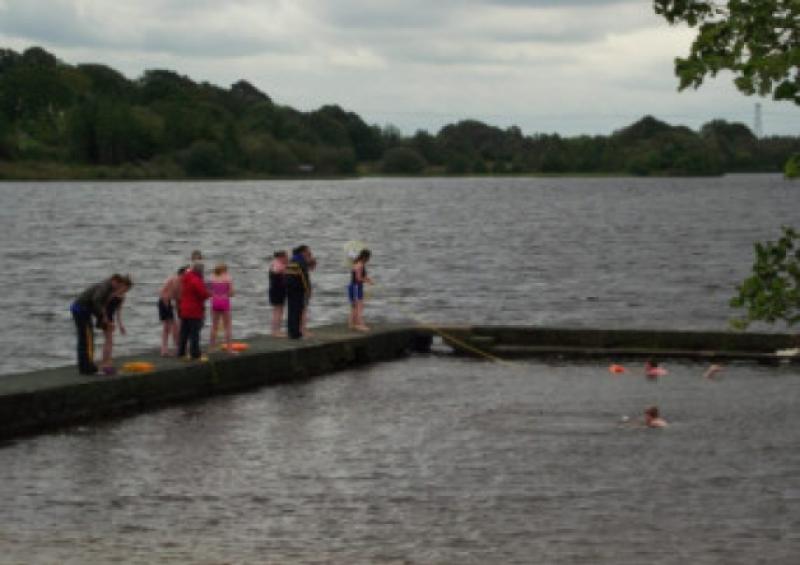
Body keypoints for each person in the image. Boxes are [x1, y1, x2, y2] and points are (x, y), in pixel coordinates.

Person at [70, 274, 133, 375]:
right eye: (118, 285)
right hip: (81, 310)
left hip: (83, 310)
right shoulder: (105, 287)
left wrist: (104, 318)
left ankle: (86, 366)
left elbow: (98, 304)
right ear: (114, 281)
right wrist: (104, 318)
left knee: (86, 339)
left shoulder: (107, 287)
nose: (118, 288)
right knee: (87, 339)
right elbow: (97, 301)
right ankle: (88, 367)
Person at [178, 261, 210, 360]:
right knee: (194, 333)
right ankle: (195, 353)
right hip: (194, 311)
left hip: (184, 309)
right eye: (202, 270)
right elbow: (203, 295)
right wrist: (210, 292)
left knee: (184, 332)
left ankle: (181, 352)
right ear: (199, 270)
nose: (203, 272)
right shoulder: (196, 280)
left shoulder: (186, 277)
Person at [285, 245, 312, 339]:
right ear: (303, 252)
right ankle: (296, 333)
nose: (308, 253)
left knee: (291, 311)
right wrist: (308, 290)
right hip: (298, 290)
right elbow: (304, 278)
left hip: (289, 289)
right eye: (308, 251)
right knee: (297, 311)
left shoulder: (291, 260)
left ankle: (290, 331)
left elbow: (286, 276)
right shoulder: (301, 262)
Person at [159, 266, 186, 356]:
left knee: (175, 327)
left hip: (172, 303)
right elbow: (162, 291)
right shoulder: (173, 279)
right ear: (181, 274)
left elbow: (179, 298)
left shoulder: (182, 283)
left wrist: (179, 309)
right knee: (168, 327)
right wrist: (167, 303)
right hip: (164, 302)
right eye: (185, 274)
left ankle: (176, 347)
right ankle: (165, 349)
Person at [209, 262, 234, 352]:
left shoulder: (212, 278)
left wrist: (215, 295)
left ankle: (212, 347)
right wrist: (226, 294)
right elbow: (231, 293)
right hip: (224, 301)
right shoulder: (228, 278)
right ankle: (229, 348)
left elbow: (209, 291)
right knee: (227, 326)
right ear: (225, 270)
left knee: (214, 326)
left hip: (215, 302)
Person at [100, 293, 127, 375]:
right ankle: (105, 364)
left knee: (110, 342)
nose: (125, 290)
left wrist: (121, 325)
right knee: (108, 341)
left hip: (111, 319)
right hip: (105, 319)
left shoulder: (122, 297)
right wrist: (106, 320)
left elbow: (118, 312)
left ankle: (107, 363)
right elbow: (103, 307)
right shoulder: (112, 294)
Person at [348, 249, 374, 332]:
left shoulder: (357, 263)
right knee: (359, 307)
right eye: (368, 258)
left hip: (353, 286)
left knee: (354, 306)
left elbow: (362, 276)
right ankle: (360, 325)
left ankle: (352, 324)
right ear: (365, 257)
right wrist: (367, 281)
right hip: (356, 287)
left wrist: (368, 279)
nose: (369, 260)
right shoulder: (360, 265)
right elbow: (358, 278)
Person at [268, 251, 288, 337]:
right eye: (286, 257)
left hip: (275, 290)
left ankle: (275, 331)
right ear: (281, 257)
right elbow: (277, 271)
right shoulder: (278, 265)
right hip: (277, 290)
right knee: (278, 311)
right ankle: (276, 332)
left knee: (278, 311)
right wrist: (284, 268)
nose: (287, 258)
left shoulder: (274, 264)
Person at [301, 252, 317, 337]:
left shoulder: (303, 269)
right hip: (304, 292)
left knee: (302, 311)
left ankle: (303, 329)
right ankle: (303, 330)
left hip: (303, 292)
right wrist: (309, 292)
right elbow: (306, 284)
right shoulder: (304, 270)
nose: (313, 269)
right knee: (303, 311)